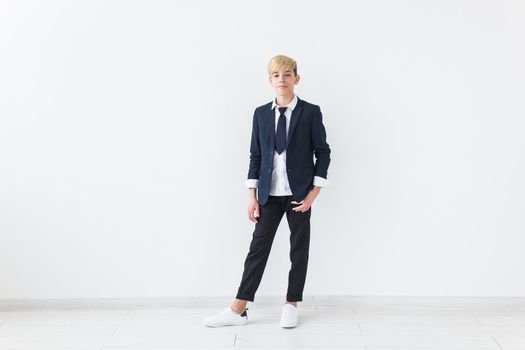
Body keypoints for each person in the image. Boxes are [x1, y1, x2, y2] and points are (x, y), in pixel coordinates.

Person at [203, 54, 331, 328]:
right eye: (276, 75)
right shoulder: (261, 114)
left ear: (296, 78)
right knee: (257, 249)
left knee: (299, 250)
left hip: (299, 194)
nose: (282, 80)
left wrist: (313, 193)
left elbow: (323, 152)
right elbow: (255, 155)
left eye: (287, 75)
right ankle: (238, 309)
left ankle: (291, 303)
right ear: (269, 80)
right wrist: (251, 195)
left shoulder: (310, 112)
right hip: (268, 194)